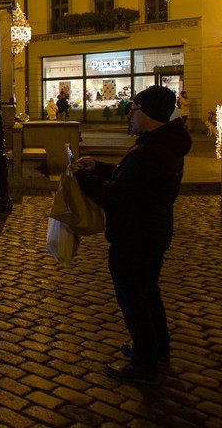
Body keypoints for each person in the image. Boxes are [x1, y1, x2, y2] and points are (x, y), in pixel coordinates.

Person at [70, 85, 192, 384]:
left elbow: (115, 195)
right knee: (148, 292)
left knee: (133, 299)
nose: (130, 114)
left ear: (148, 113)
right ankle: (156, 348)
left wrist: (83, 177)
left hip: (134, 235)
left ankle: (144, 363)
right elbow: (130, 178)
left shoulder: (150, 151)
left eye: (134, 109)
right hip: (153, 231)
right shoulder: (163, 144)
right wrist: (99, 166)